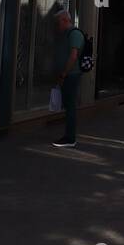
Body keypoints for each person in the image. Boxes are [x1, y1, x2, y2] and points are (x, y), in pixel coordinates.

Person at [52, 9, 84, 149]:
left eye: (58, 22)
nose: (57, 26)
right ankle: (68, 136)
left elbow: (73, 56)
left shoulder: (74, 34)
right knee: (68, 105)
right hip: (68, 74)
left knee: (70, 106)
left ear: (65, 20)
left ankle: (70, 138)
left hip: (71, 75)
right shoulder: (66, 34)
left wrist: (64, 73)